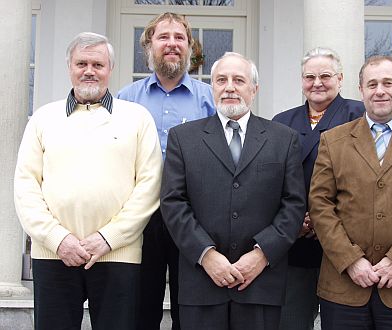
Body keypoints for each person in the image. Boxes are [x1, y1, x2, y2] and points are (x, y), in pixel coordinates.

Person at [14, 32, 162, 330]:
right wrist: (59, 240)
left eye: (98, 63)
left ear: (110, 69)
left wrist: (108, 239)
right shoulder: (43, 118)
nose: (89, 70)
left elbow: (149, 186)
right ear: (70, 66)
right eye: (82, 63)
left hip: (118, 255)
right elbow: (26, 186)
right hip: (55, 253)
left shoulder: (137, 118)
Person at [160, 52, 306, 330]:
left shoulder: (283, 139)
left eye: (238, 80)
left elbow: (294, 204)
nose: (229, 87)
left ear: (254, 89)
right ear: (212, 87)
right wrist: (206, 255)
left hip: (260, 283)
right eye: (221, 80)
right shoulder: (184, 138)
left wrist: (261, 255)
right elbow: (173, 202)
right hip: (201, 282)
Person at [309, 55, 392, 330]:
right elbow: (320, 205)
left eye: (387, 83)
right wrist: (351, 260)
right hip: (345, 290)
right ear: (361, 90)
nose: (379, 90)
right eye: (372, 84)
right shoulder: (333, 141)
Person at [117, 12, 215, 330]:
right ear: (149, 46)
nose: (172, 44)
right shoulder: (126, 100)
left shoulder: (209, 99)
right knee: (140, 307)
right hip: (142, 217)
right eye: (163, 37)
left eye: (179, 38)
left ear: (189, 47)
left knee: (189, 307)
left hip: (193, 216)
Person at [272, 47, 364, 330]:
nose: (317, 83)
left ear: (340, 78)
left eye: (325, 76)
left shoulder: (358, 115)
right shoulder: (282, 121)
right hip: (296, 239)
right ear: (301, 81)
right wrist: (294, 219)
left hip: (344, 241)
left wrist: (321, 218)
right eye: (309, 77)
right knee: (292, 321)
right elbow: (271, 179)